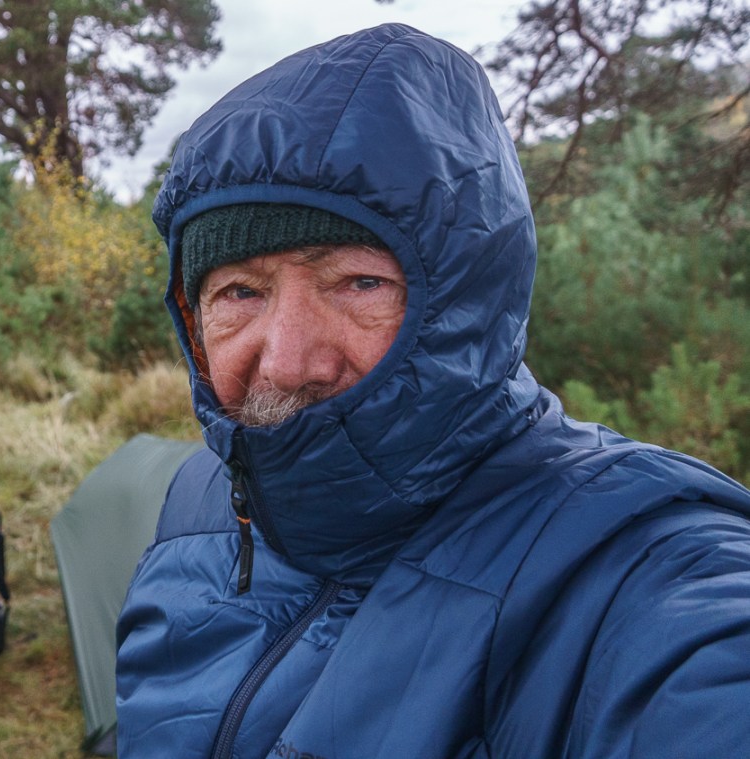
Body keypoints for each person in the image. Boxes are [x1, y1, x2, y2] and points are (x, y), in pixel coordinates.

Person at [115, 23, 750, 758]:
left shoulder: (638, 573)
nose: (287, 361)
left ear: (468, 302)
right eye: (239, 292)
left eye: (359, 282)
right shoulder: (197, 499)